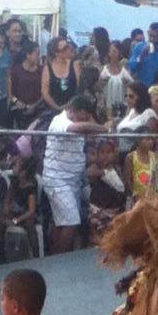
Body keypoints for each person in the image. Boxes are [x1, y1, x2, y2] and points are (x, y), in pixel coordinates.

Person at [42, 94, 105, 254]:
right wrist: (105, 128)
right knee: (71, 222)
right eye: (81, 117)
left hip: (73, 180)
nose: (82, 121)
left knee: (61, 223)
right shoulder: (60, 121)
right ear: (72, 110)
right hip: (58, 180)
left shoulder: (75, 119)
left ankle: (53, 258)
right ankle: (62, 260)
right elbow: (77, 128)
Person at [87, 137, 125, 241]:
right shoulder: (94, 167)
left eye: (108, 152)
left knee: (111, 237)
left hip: (113, 210)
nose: (105, 155)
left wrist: (107, 173)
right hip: (97, 209)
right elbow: (90, 174)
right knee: (96, 237)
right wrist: (103, 172)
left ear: (114, 153)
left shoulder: (116, 168)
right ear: (97, 154)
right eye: (102, 152)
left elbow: (121, 187)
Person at [41, 36, 79, 115]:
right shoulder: (48, 68)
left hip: (73, 108)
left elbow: (79, 87)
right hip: (53, 108)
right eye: (65, 48)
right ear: (56, 52)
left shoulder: (74, 64)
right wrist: (57, 107)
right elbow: (45, 92)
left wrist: (71, 104)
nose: (68, 49)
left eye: (68, 46)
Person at [8, 40, 42, 129]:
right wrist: (16, 101)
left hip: (38, 110)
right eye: (37, 54)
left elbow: (45, 91)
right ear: (28, 55)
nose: (39, 57)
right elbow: (9, 91)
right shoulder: (16, 70)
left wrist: (34, 105)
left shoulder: (41, 71)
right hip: (19, 110)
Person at [115, 82, 158, 148]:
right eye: (126, 96)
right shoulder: (131, 112)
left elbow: (150, 140)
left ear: (141, 97)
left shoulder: (149, 113)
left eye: (131, 96)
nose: (127, 99)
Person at [98, 41, 132, 119]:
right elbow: (98, 88)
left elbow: (132, 85)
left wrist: (126, 82)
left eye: (114, 51)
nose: (112, 54)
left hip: (123, 106)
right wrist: (102, 83)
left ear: (119, 53)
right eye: (110, 51)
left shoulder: (125, 69)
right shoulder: (104, 69)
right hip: (107, 106)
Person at [128, 22, 158, 87]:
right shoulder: (139, 47)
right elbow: (131, 67)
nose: (152, 39)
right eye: (150, 36)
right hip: (142, 88)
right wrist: (141, 57)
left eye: (155, 37)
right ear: (148, 33)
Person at [123, 129, 156, 204]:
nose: (151, 142)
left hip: (152, 199)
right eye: (147, 139)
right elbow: (127, 180)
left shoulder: (154, 156)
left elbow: (156, 177)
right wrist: (134, 196)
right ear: (138, 140)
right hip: (136, 200)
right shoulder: (131, 157)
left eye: (152, 139)